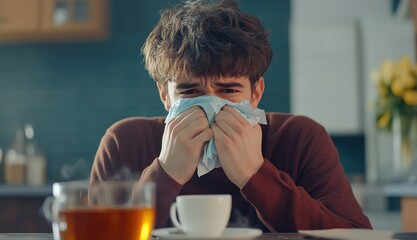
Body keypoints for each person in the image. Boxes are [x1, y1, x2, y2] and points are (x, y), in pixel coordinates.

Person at [90, 0, 372, 232]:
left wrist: (256, 175)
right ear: (165, 95)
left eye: (228, 89)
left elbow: (356, 235)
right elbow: (96, 236)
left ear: (256, 92)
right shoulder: (124, 142)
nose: (210, 105)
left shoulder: (300, 138)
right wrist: (164, 174)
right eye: (190, 91)